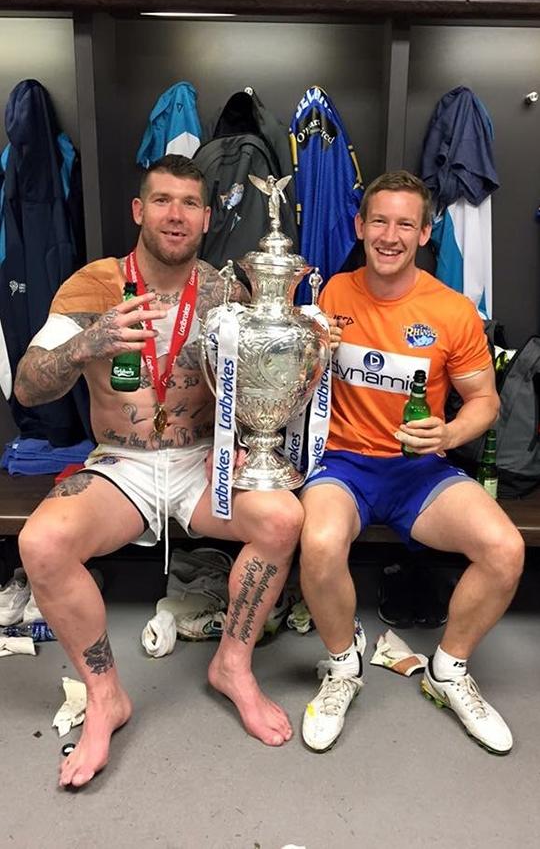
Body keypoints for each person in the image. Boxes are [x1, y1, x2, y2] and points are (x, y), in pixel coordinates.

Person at [14, 154, 305, 788]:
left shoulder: (230, 289)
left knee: (282, 519)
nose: (177, 215)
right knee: (42, 542)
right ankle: (105, 695)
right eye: (163, 201)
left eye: (191, 204)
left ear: (207, 218)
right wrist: (86, 344)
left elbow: (274, 377)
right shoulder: (91, 285)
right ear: (139, 211)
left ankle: (233, 665)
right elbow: (27, 388)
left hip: (204, 461)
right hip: (123, 463)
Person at [299, 170, 524, 755]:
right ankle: (343, 667)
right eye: (379, 220)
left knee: (504, 549)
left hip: (418, 471)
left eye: (405, 223)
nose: (390, 235)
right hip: (344, 464)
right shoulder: (331, 296)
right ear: (360, 226)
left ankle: (447, 671)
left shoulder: (452, 311)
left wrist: (447, 430)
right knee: (319, 542)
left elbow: (486, 402)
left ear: (426, 232)